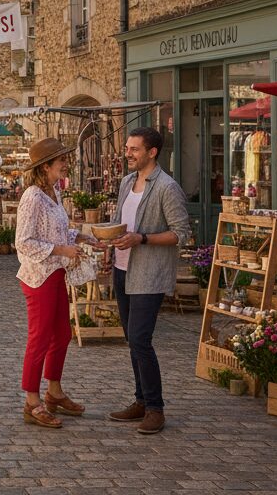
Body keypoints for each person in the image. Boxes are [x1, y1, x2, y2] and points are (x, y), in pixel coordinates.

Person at [105, 127, 190, 435]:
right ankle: (140, 400)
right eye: (127, 148)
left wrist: (142, 238)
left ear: (152, 152)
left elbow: (181, 233)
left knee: (141, 339)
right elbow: (121, 224)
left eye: (134, 149)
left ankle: (155, 408)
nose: (128, 153)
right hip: (122, 269)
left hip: (149, 274)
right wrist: (108, 245)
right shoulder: (126, 182)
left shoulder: (167, 187)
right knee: (132, 339)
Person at [15, 137, 90, 429]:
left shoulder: (54, 192)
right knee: (40, 338)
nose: (65, 164)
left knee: (62, 334)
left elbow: (56, 232)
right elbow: (23, 242)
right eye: (61, 160)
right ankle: (32, 401)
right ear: (46, 166)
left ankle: (54, 392)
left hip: (56, 272)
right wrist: (62, 250)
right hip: (38, 276)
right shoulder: (32, 197)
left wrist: (81, 237)